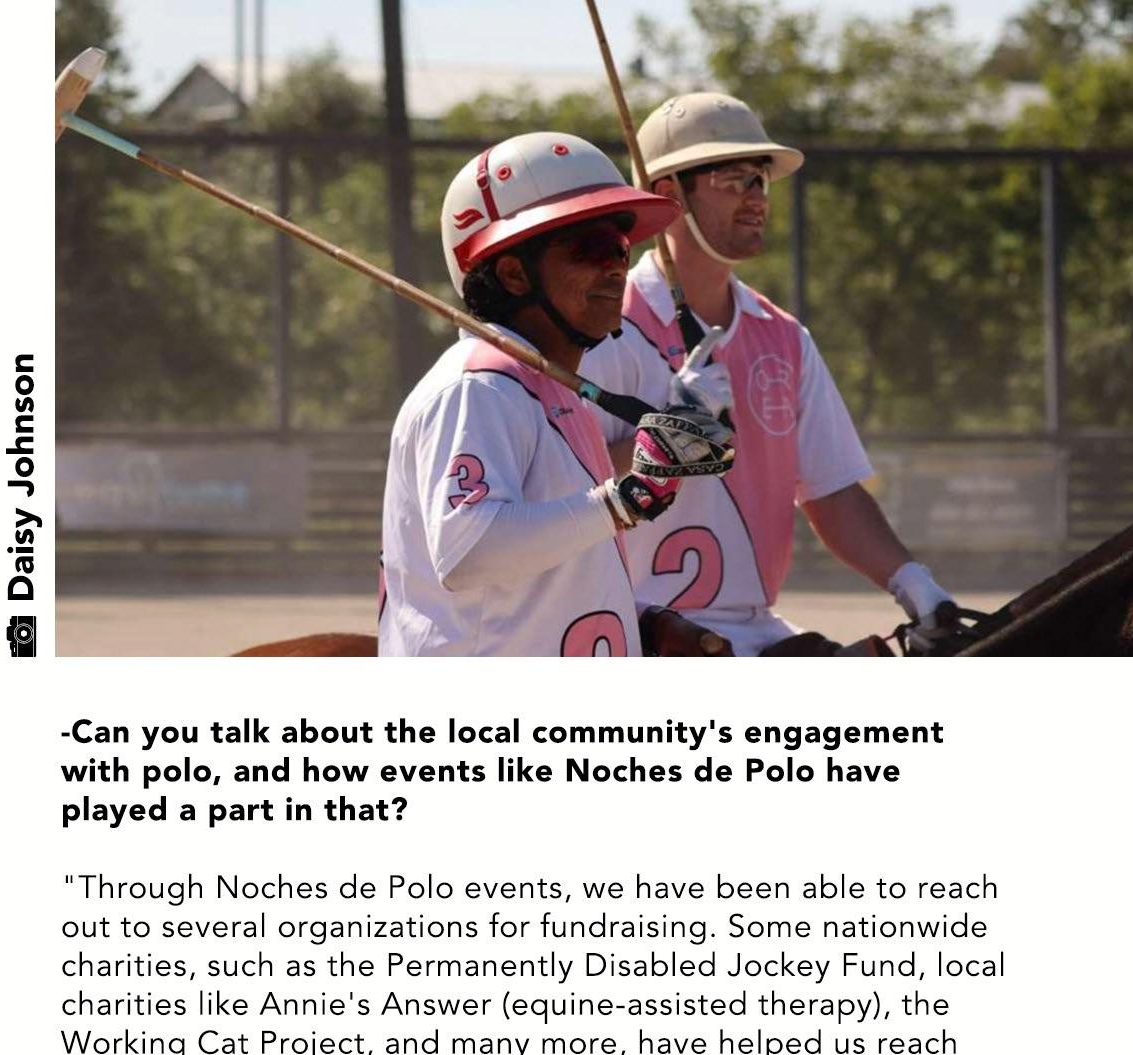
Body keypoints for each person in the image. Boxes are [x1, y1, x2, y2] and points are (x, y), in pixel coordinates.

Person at [579, 91, 962, 655]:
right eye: (734, 179)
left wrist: (911, 580)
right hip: (634, 635)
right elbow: (563, 488)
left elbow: (831, 490)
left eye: (761, 179)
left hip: (754, 631)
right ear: (670, 196)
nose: (757, 197)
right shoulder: (601, 331)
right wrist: (664, 436)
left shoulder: (783, 338)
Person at [378, 131, 733, 656]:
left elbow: (545, 582)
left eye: (620, 247)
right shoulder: (476, 388)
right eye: (589, 248)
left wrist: (641, 622)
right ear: (513, 274)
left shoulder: (548, 392)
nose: (615, 267)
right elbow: (469, 550)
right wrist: (623, 500)